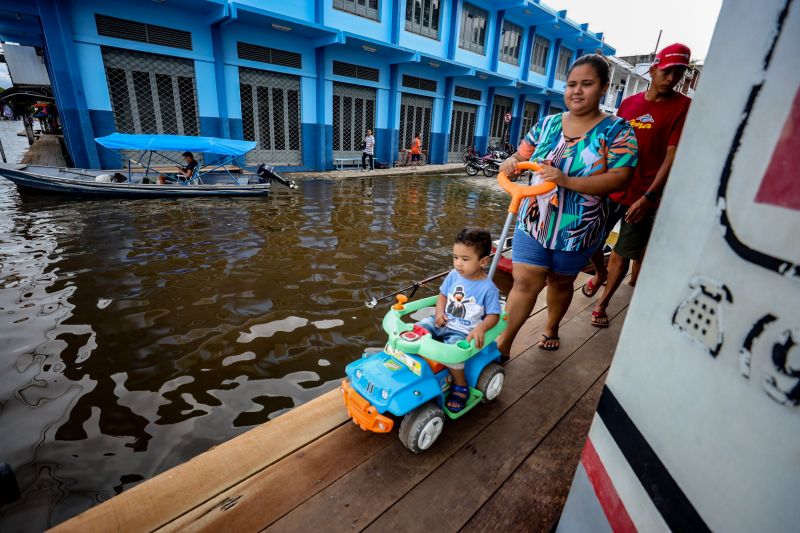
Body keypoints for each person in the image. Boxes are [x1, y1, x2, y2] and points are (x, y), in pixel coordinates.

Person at [496, 54, 638, 355]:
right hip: (533, 220)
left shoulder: (618, 130)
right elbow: (520, 156)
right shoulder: (547, 124)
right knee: (524, 283)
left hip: (578, 228)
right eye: (572, 84)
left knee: (560, 284)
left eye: (586, 84)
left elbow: (621, 178)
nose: (576, 90)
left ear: (603, 88)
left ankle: (551, 326)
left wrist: (567, 180)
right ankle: (504, 345)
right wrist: (512, 162)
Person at [585, 44, 692, 328]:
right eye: (667, 71)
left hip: (645, 195)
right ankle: (599, 274)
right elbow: (613, 144)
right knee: (589, 240)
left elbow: (673, 154)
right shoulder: (629, 104)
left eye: (678, 72)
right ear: (654, 69)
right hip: (613, 187)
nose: (671, 78)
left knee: (623, 251)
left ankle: (602, 303)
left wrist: (649, 196)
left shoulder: (683, 107)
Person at [416, 227, 501, 412]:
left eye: (465, 259)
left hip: (462, 331)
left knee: (453, 354)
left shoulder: (488, 289)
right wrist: (439, 313)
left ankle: (460, 385)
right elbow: (442, 296)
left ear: (483, 261)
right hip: (442, 322)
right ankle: (414, 370)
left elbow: (494, 315)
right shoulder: (454, 275)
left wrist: (481, 328)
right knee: (416, 330)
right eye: (455, 257)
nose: (458, 264)